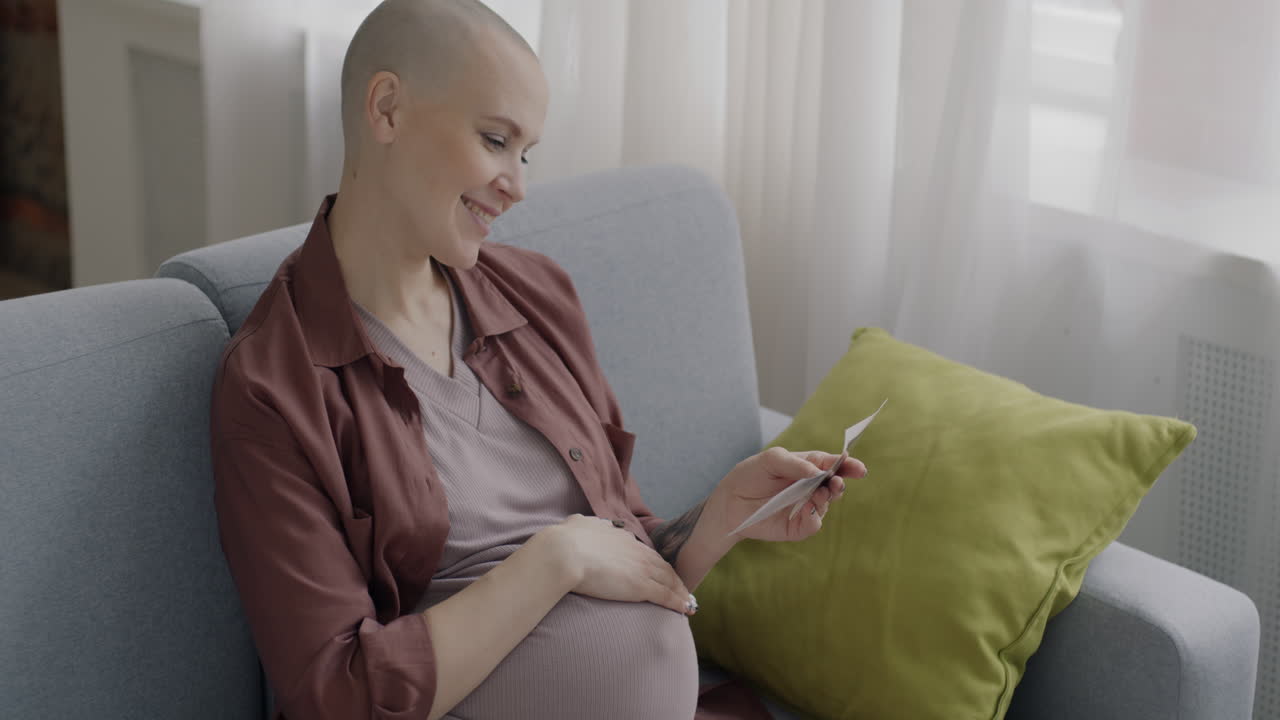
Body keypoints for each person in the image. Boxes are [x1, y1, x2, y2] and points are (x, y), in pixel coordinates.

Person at [209, 1, 866, 718]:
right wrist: (553, 563)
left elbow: (622, 547)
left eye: (527, 154)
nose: (517, 185)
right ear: (388, 109)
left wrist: (718, 519)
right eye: (496, 140)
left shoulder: (536, 297)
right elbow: (337, 694)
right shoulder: (276, 387)